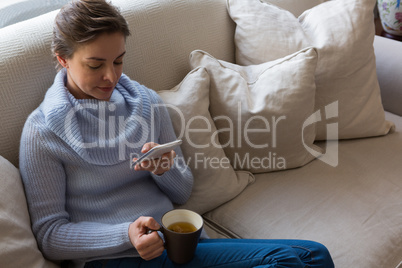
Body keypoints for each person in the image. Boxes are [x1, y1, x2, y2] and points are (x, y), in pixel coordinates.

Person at [19, 1, 335, 267]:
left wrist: (164, 169)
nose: (110, 76)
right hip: (113, 257)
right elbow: (49, 236)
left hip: (174, 241)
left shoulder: (144, 103)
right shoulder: (42, 132)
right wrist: (126, 233)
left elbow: (182, 193)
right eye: (95, 65)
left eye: (118, 61)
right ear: (63, 60)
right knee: (285, 258)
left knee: (316, 256)